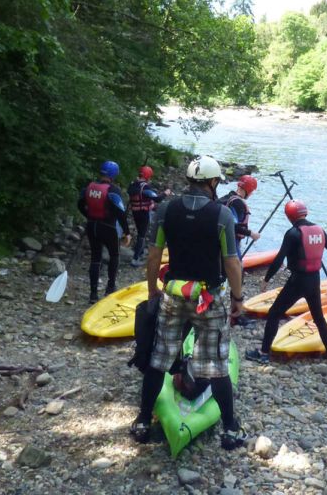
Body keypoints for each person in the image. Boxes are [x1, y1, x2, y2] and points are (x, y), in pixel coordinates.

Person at [130, 155, 247, 451]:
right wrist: (238, 297)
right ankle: (231, 429)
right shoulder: (221, 214)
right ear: (212, 182)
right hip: (209, 298)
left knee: (159, 358)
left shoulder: (166, 209)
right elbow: (231, 262)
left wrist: (152, 291)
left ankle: (143, 421)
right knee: (217, 363)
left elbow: (154, 255)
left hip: (173, 293)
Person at [245, 200, 327, 367]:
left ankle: (264, 353)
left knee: (274, 313)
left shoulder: (293, 233)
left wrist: (266, 279)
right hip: (315, 280)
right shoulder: (319, 229)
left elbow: (279, 259)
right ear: (305, 212)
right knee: (319, 318)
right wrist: (318, 243)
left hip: (297, 281)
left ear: (289, 216)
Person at [77, 160, 131, 302]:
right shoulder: (113, 191)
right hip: (108, 227)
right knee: (114, 255)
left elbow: (80, 203)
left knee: (95, 258)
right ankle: (110, 287)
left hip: (92, 226)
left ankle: (93, 294)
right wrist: (127, 232)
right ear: (114, 175)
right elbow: (121, 213)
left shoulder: (89, 187)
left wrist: (88, 215)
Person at [127, 166, 170, 266]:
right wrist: (166, 193)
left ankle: (140, 252)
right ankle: (135, 259)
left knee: (140, 233)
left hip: (135, 212)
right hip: (143, 213)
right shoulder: (144, 187)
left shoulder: (133, 184)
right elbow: (157, 199)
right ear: (147, 176)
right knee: (142, 235)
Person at [219, 175, 261, 254]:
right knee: (238, 265)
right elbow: (231, 226)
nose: (251, 194)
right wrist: (251, 234)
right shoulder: (238, 204)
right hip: (229, 242)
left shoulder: (225, 198)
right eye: (251, 191)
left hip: (217, 239)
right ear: (248, 190)